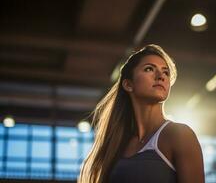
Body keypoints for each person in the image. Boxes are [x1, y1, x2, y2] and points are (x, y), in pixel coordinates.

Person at [78, 44, 205, 183]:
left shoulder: (179, 134)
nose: (160, 76)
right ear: (128, 84)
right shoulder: (116, 145)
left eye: (166, 72)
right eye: (149, 69)